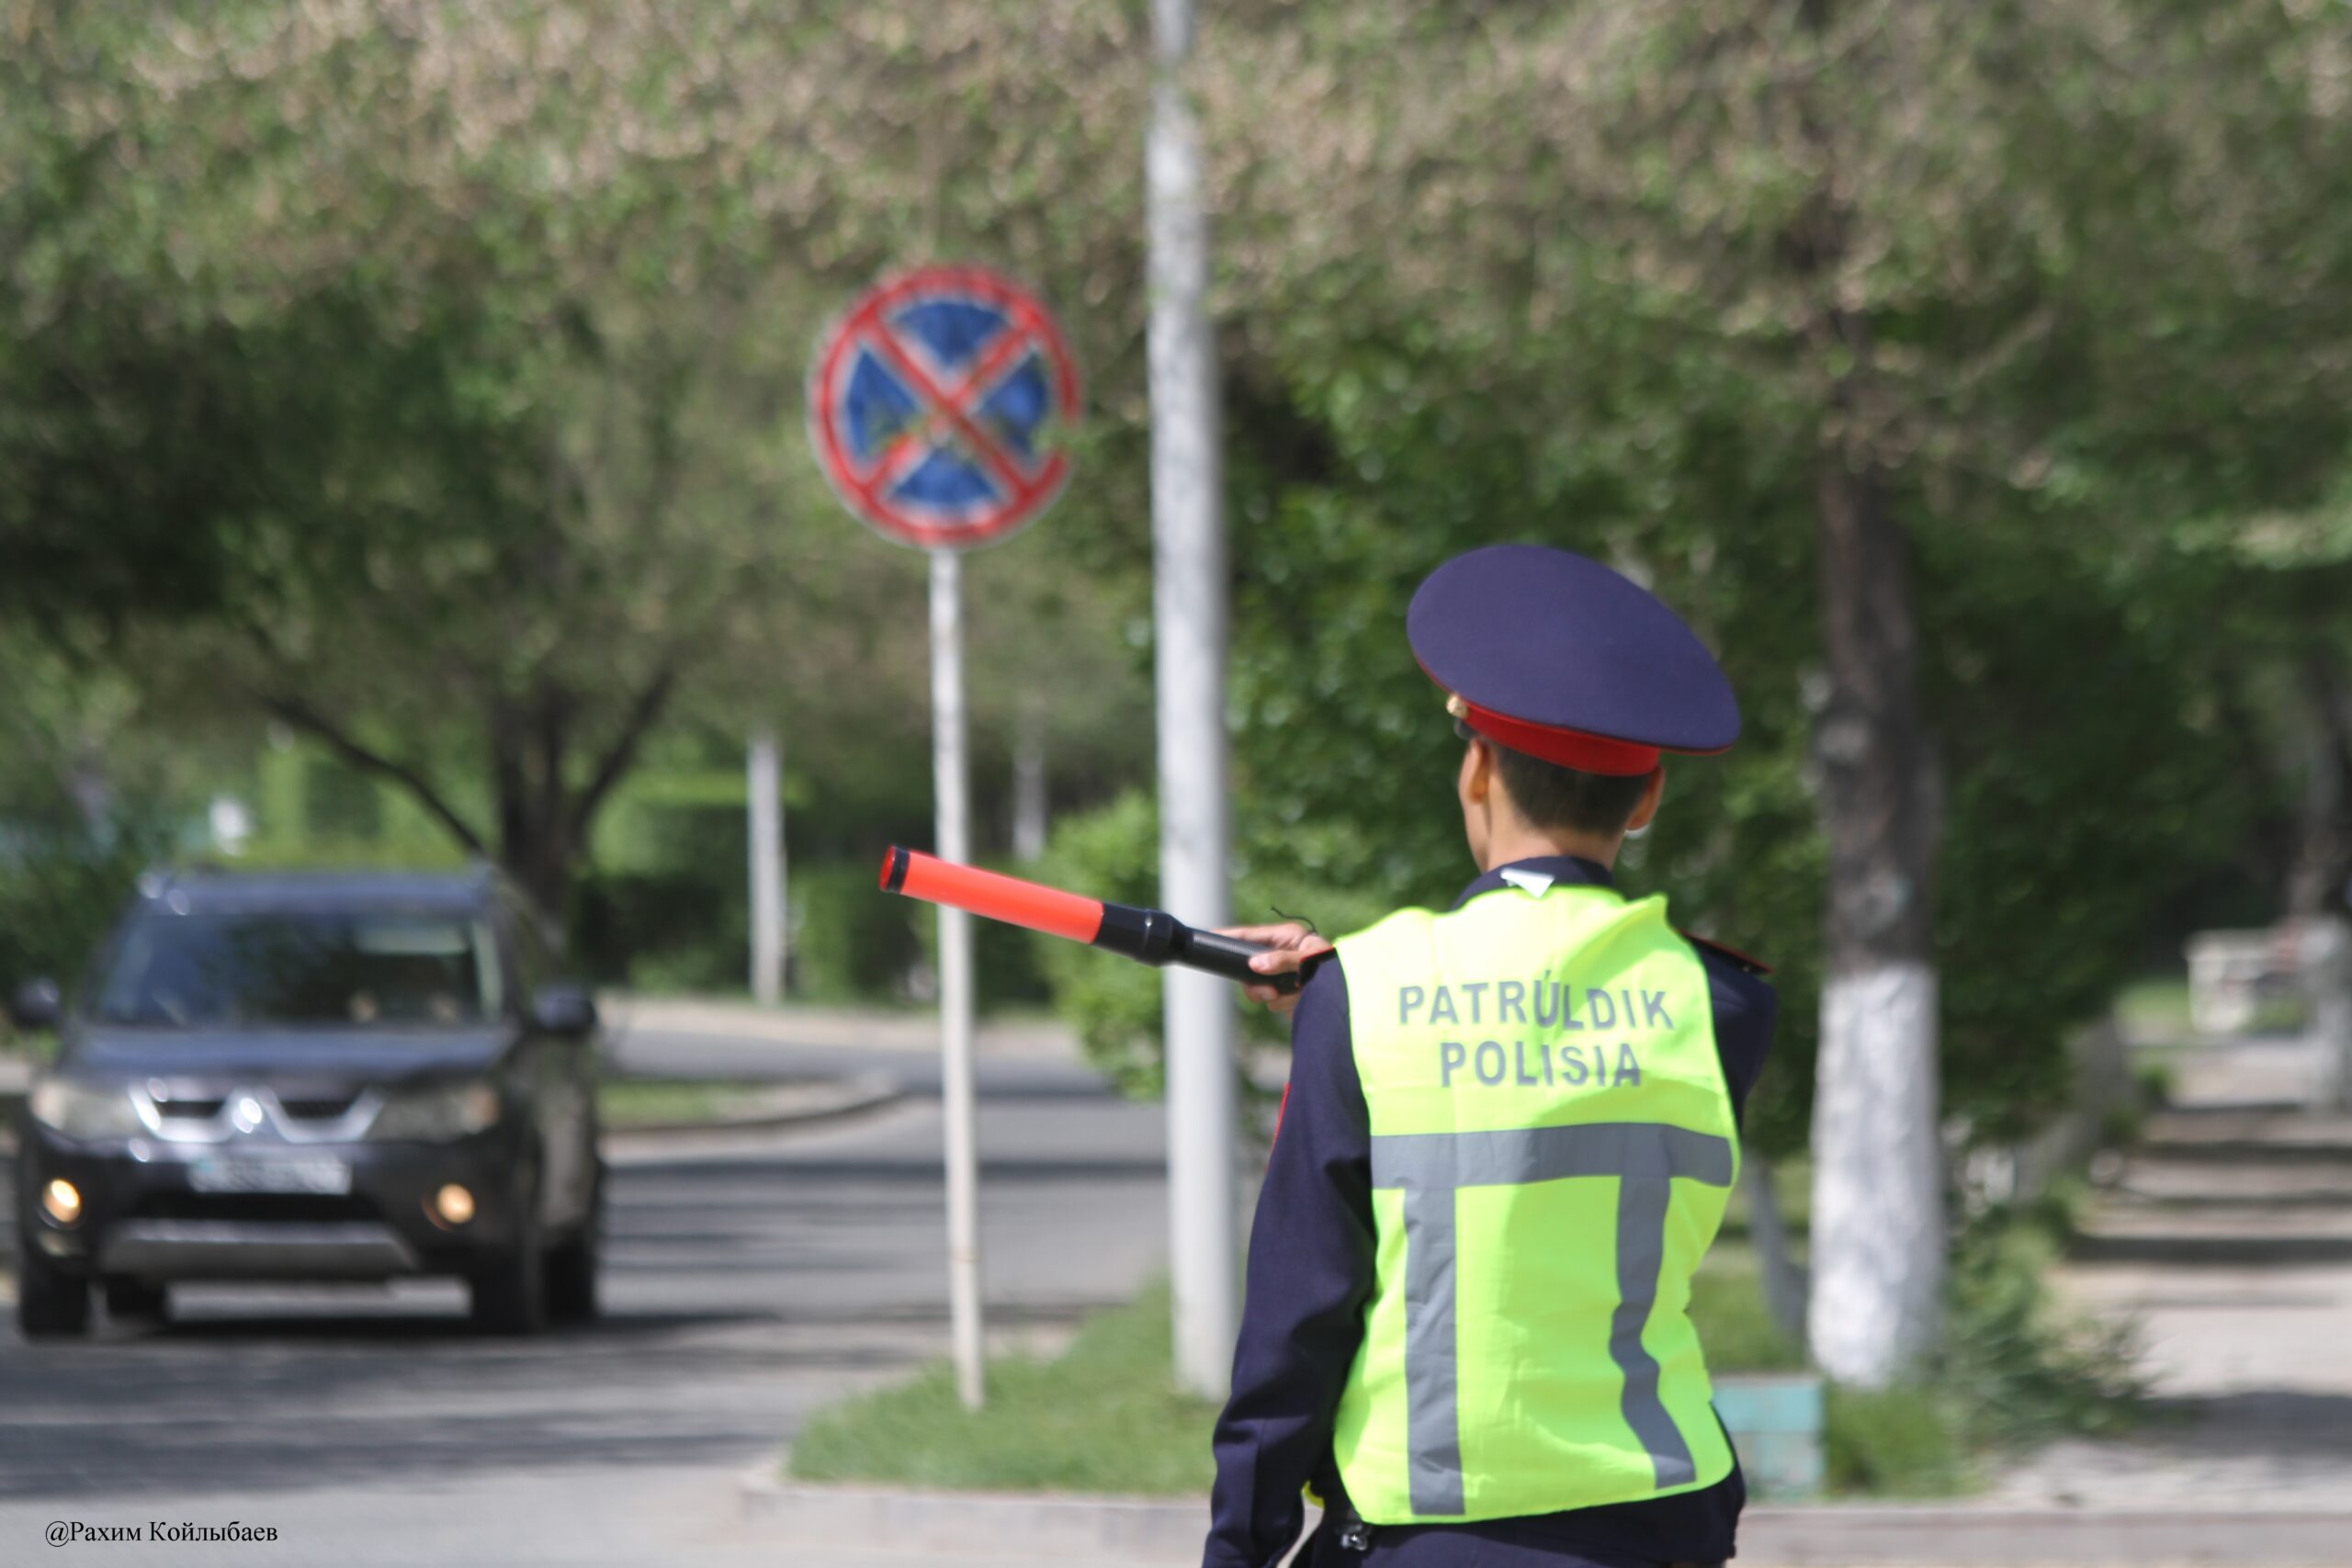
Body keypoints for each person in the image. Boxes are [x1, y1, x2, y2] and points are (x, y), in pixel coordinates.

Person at [1202, 544, 1777, 1568]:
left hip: (1423, 1534)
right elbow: (1556, 1001)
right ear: (1644, 803)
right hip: (1656, 1528)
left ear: (1474, 767)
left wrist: (1240, 1547)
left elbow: (1297, 1317)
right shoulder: (1725, 1003)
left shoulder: (1367, 994)